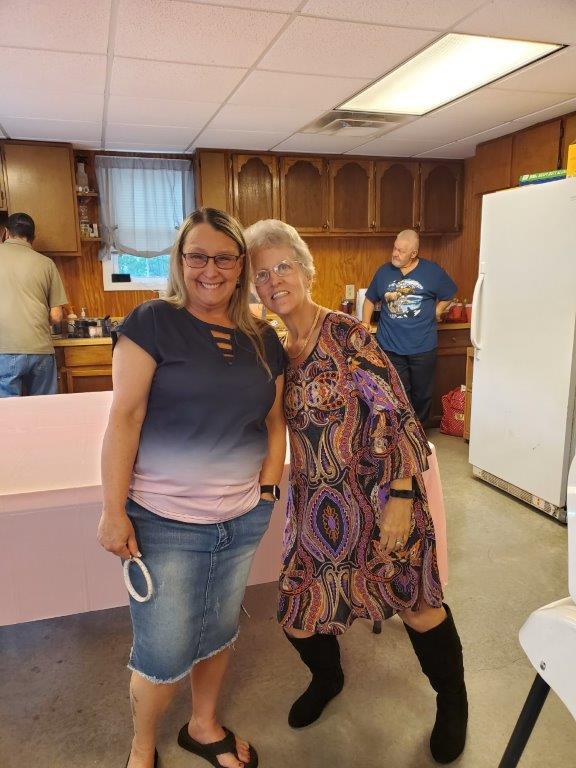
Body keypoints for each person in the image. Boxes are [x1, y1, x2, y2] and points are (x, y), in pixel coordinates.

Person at [245, 219, 467, 765]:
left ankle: (452, 700)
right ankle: (329, 678)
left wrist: (402, 498)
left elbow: (398, 413)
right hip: (317, 509)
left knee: (417, 607)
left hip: (379, 497)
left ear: (305, 270)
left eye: (283, 266)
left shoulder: (346, 334)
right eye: (262, 274)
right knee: (298, 615)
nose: (274, 280)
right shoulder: (277, 350)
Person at [97, 208, 286, 768]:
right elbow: (125, 418)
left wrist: (267, 494)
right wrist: (113, 510)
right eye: (198, 256)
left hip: (241, 518)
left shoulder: (263, 339)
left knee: (219, 630)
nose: (211, 269)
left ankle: (203, 726)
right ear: (180, 261)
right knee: (161, 653)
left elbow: (274, 423)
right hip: (164, 520)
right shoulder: (153, 322)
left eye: (224, 257)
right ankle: (142, 749)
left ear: (241, 265)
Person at [362, 229, 456, 425]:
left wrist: (437, 311)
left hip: (423, 346)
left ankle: (419, 433)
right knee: (398, 393)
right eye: (395, 248)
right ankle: (402, 434)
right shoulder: (384, 272)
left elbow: (449, 294)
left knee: (422, 395)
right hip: (390, 346)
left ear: (413, 253)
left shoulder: (432, 272)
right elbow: (370, 299)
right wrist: (365, 322)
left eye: (401, 251)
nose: (395, 254)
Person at [0, 212, 68, 397]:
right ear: (33, 238)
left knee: (7, 410)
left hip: (4, 349)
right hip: (41, 349)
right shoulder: (47, 264)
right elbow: (57, 316)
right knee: (44, 409)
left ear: (6, 232)